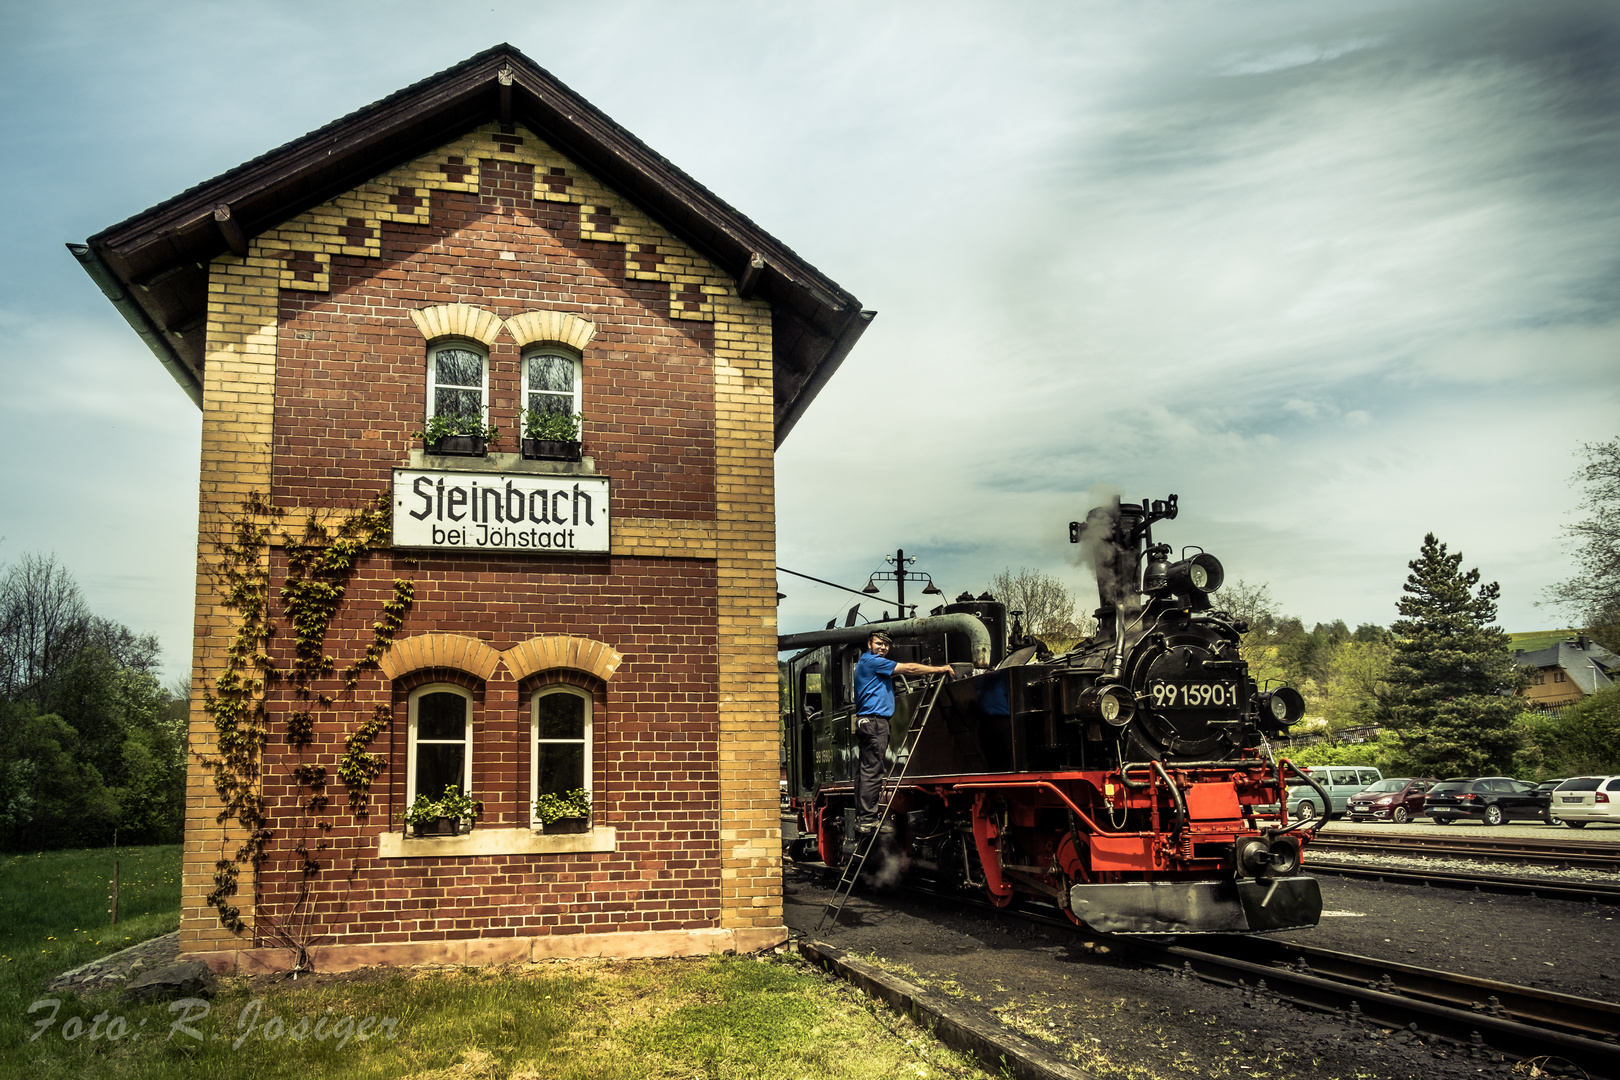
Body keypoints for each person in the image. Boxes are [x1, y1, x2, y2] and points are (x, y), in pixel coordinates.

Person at [852, 630, 954, 833]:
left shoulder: (867, 662)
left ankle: (864, 818)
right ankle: (867, 820)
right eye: (879, 643)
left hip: (869, 722)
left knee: (866, 772)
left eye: (886, 645)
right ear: (869, 644)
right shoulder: (874, 662)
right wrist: (940, 668)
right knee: (873, 771)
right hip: (875, 722)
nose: (882, 647)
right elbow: (910, 668)